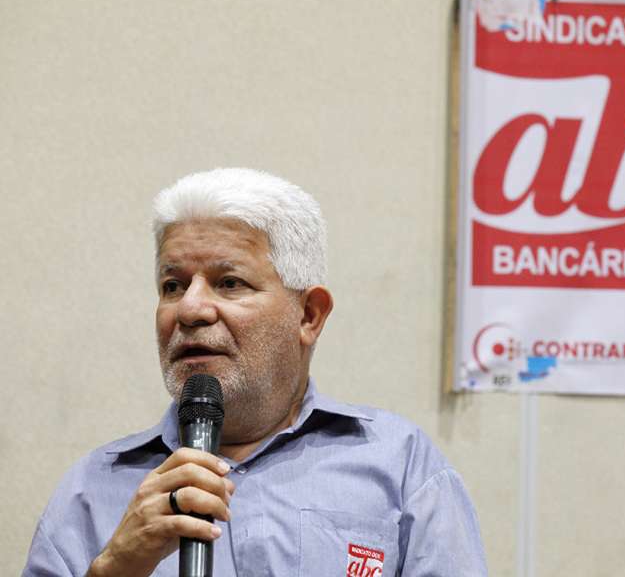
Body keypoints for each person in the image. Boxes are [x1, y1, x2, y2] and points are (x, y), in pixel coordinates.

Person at [23, 168, 487, 576]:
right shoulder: (92, 490)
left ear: (309, 315)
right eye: (172, 285)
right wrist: (114, 571)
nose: (190, 308)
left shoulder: (399, 466)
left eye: (229, 283)